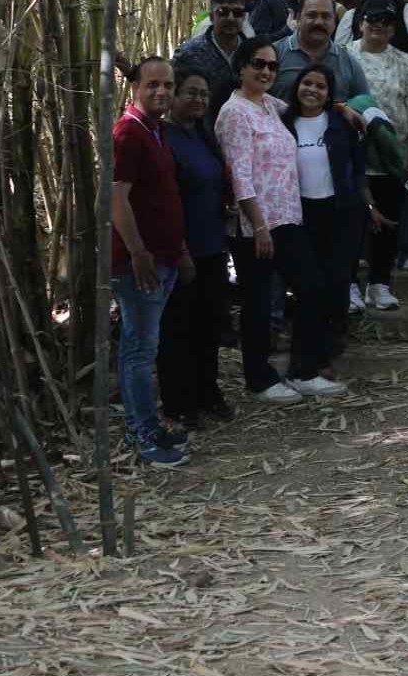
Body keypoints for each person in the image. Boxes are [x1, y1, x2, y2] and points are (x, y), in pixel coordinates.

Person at [216, 38, 346, 401]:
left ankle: (303, 370)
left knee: (311, 287)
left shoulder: (270, 106)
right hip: (256, 224)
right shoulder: (235, 112)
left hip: (287, 217)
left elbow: (309, 103)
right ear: (241, 66)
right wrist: (257, 225)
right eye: (258, 63)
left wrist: (343, 107)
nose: (266, 71)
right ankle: (258, 378)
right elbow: (239, 173)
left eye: (272, 66)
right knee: (257, 301)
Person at [110, 57, 194, 467]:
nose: (161, 92)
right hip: (138, 262)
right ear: (135, 88)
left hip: (162, 257)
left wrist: (177, 250)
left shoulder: (156, 129)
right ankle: (141, 433)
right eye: (152, 85)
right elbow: (116, 198)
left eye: (168, 85)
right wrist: (137, 251)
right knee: (138, 350)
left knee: (145, 346)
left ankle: (148, 423)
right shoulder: (128, 133)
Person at [157, 69, 236, 432]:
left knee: (209, 324)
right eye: (190, 93)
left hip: (213, 245)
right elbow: (164, 201)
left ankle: (208, 392)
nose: (199, 100)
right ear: (174, 96)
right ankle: (178, 402)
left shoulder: (202, 135)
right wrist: (181, 250)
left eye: (204, 94)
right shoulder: (163, 137)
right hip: (181, 248)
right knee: (179, 328)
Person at [349, 0, 408, 302]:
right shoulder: (346, 57)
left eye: (385, 23)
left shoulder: (404, 62)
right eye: (373, 21)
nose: (378, 28)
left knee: (389, 220)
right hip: (355, 153)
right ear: (361, 24)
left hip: (392, 155)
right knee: (354, 221)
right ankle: (349, 286)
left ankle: (379, 283)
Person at [281, 65, 372, 345]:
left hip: (340, 211)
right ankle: (310, 341)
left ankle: (334, 341)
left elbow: (357, 168)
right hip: (301, 213)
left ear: (329, 93)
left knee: (338, 279)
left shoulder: (340, 122)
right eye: (307, 83)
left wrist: (368, 204)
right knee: (310, 283)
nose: (312, 90)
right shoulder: (283, 122)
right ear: (297, 86)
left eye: (320, 86)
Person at [272, 0, 370, 100]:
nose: (319, 22)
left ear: (335, 22)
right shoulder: (274, 54)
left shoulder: (347, 63)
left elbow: (364, 104)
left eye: (326, 16)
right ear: (298, 19)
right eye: (312, 15)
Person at [172, 0, 250, 120]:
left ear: (244, 17)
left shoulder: (253, 53)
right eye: (223, 12)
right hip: (201, 134)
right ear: (211, 17)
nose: (231, 18)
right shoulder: (189, 53)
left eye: (237, 13)